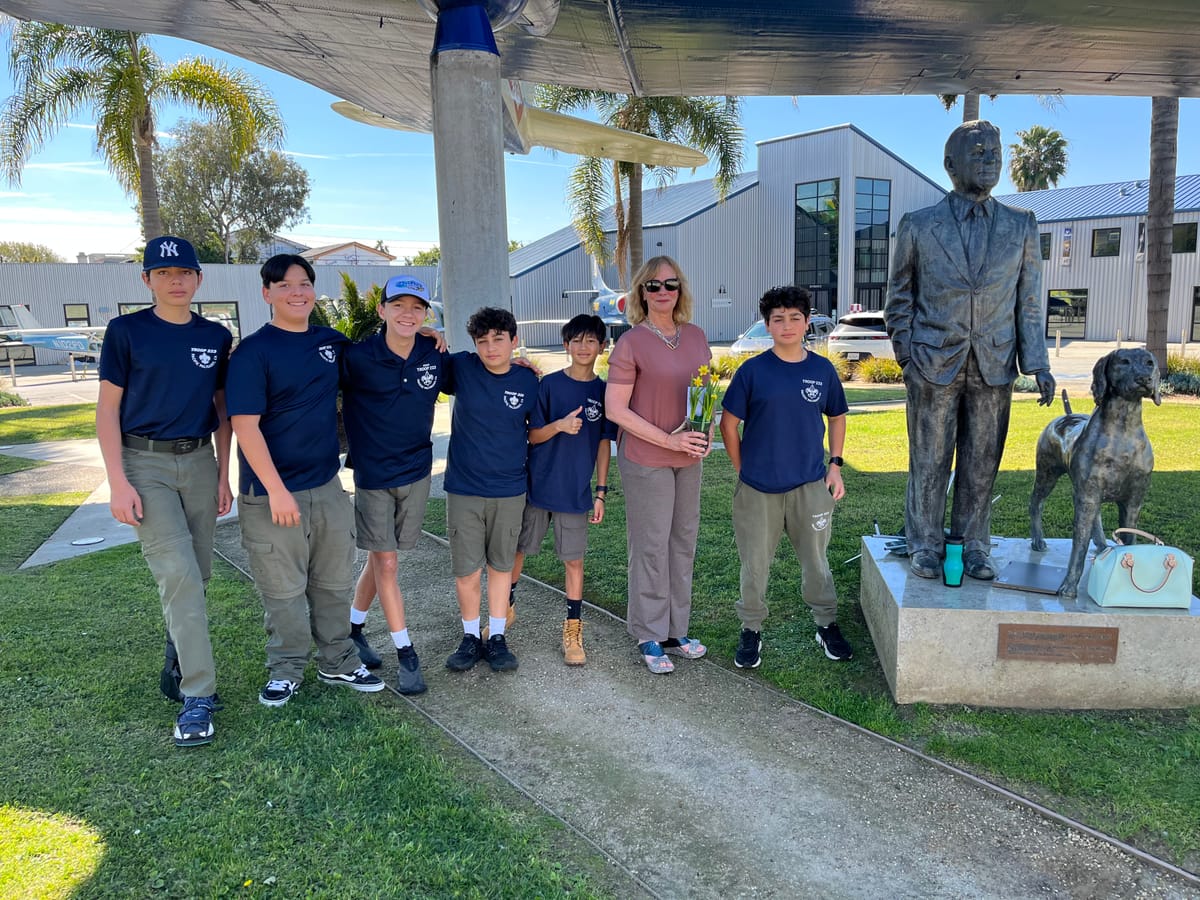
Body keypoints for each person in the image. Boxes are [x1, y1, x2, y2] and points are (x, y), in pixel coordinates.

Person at [885, 120, 1055, 581]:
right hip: (932, 362)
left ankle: (975, 546)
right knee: (930, 460)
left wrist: (1036, 362)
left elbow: (1029, 299)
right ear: (950, 164)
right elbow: (898, 299)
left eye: (995, 152)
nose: (990, 159)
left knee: (982, 463)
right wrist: (908, 358)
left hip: (995, 364)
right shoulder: (918, 225)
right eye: (978, 152)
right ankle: (924, 544)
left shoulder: (1021, 225)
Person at [226, 254, 384, 707]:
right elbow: (245, 425)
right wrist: (276, 490)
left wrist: (427, 335)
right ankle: (286, 669)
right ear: (267, 294)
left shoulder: (330, 343)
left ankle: (337, 661)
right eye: (285, 285)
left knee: (333, 582)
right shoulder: (254, 352)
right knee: (284, 589)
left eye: (305, 283)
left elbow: (380, 357)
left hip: (327, 487)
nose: (297, 292)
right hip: (271, 492)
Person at [95, 235, 233, 748]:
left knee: (198, 573)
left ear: (198, 279)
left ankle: (177, 654)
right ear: (146, 279)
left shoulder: (216, 337)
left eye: (185, 273)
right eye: (163, 273)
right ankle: (198, 696)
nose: (175, 281)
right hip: (143, 462)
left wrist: (222, 475)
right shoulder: (126, 332)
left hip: (199, 460)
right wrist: (117, 481)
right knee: (178, 575)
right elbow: (107, 410)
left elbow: (223, 410)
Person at [719, 286, 852, 668]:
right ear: (767, 325)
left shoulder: (821, 370)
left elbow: (838, 415)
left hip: (810, 485)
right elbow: (729, 425)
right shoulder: (753, 371)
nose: (787, 325)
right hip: (758, 489)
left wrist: (836, 465)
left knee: (816, 560)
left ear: (807, 321)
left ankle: (825, 623)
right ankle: (751, 629)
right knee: (755, 563)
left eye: (795, 317)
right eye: (778, 318)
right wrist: (742, 469)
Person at [605, 256, 711, 674]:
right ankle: (649, 633)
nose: (662, 291)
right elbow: (616, 408)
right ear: (640, 293)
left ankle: (675, 629)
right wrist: (668, 438)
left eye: (670, 284)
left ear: (680, 289)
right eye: (653, 285)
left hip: (688, 457)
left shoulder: (697, 336)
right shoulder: (631, 342)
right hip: (647, 457)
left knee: (683, 540)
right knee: (651, 544)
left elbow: (702, 393)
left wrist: (703, 431)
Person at [339, 275, 444, 695]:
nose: (407, 313)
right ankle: (406, 653)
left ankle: (353, 628)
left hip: (417, 472)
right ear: (381, 310)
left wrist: (518, 364)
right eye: (398, 305)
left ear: (425, 315)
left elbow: (476, 375)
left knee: (382, 558)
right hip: (373, 475)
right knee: (386, 563)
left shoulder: (434, 354)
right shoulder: (356, 357)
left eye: (416, 307)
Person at [509, 314, 615, 666]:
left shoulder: (604, 392)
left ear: (602, 346)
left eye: (591, 341)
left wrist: (600, 491)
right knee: (519, 551)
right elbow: (533, 435)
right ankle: (503, 611)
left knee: (574, 560)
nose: (583, 347)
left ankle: (572, 630)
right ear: (566, 345)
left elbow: (604, 444)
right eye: (576, 340)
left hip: (575, 492)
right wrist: (558, 425)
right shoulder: (549, 386)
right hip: (538, 486)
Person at [442, 307, 538, 674]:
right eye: (483, 341)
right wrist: (431, 337)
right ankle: (469, 637)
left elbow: (536, 431)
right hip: (464, 488)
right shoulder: (462, 368)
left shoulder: (529, 381)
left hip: (510, 489)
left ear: (514, 340)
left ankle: (496, 636)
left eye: (499, 339)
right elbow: (422, 359)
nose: (491, 348)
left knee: (500, 566)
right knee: (467, 570)